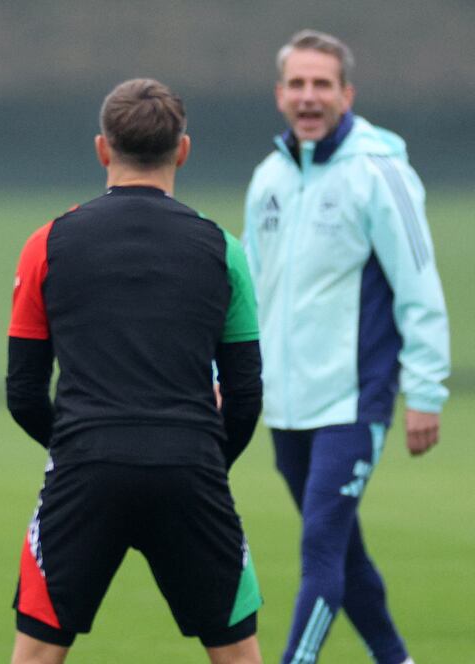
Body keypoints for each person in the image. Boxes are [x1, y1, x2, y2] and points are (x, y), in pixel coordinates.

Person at [6, 78, 265, 664]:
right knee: (237, 654)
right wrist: (200, 455)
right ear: (183, 149)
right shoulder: (224, 250)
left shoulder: (45, 244)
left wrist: (83, 444)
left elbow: (23, 393)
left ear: (103, 149)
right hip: (191, 467)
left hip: (85, 469)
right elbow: (246, 394)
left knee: (38, 653)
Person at [242, 30, 450, 664]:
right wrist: (230, 371)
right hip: (285, 404)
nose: (309, 97)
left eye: (322, 85)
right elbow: (251, 288)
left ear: (346, 94)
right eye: (298, 85)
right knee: (345, 553)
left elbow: (420, 283)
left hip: (352, 402)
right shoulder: (269, 177)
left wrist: (428, 390)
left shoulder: (379, 173)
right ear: (280, 95)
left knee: (321, 550)